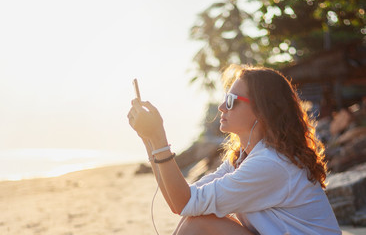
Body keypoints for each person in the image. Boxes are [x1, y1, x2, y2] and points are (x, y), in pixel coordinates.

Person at [127, 64, 341, 235]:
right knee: (196, 218)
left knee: (199, 224)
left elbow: (183, 202)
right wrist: (150, 141)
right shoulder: (244, 158)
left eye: (231, 101)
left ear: (261, 110)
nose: (222, 107)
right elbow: (185, 199)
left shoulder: (270, 163)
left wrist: (159, 137)